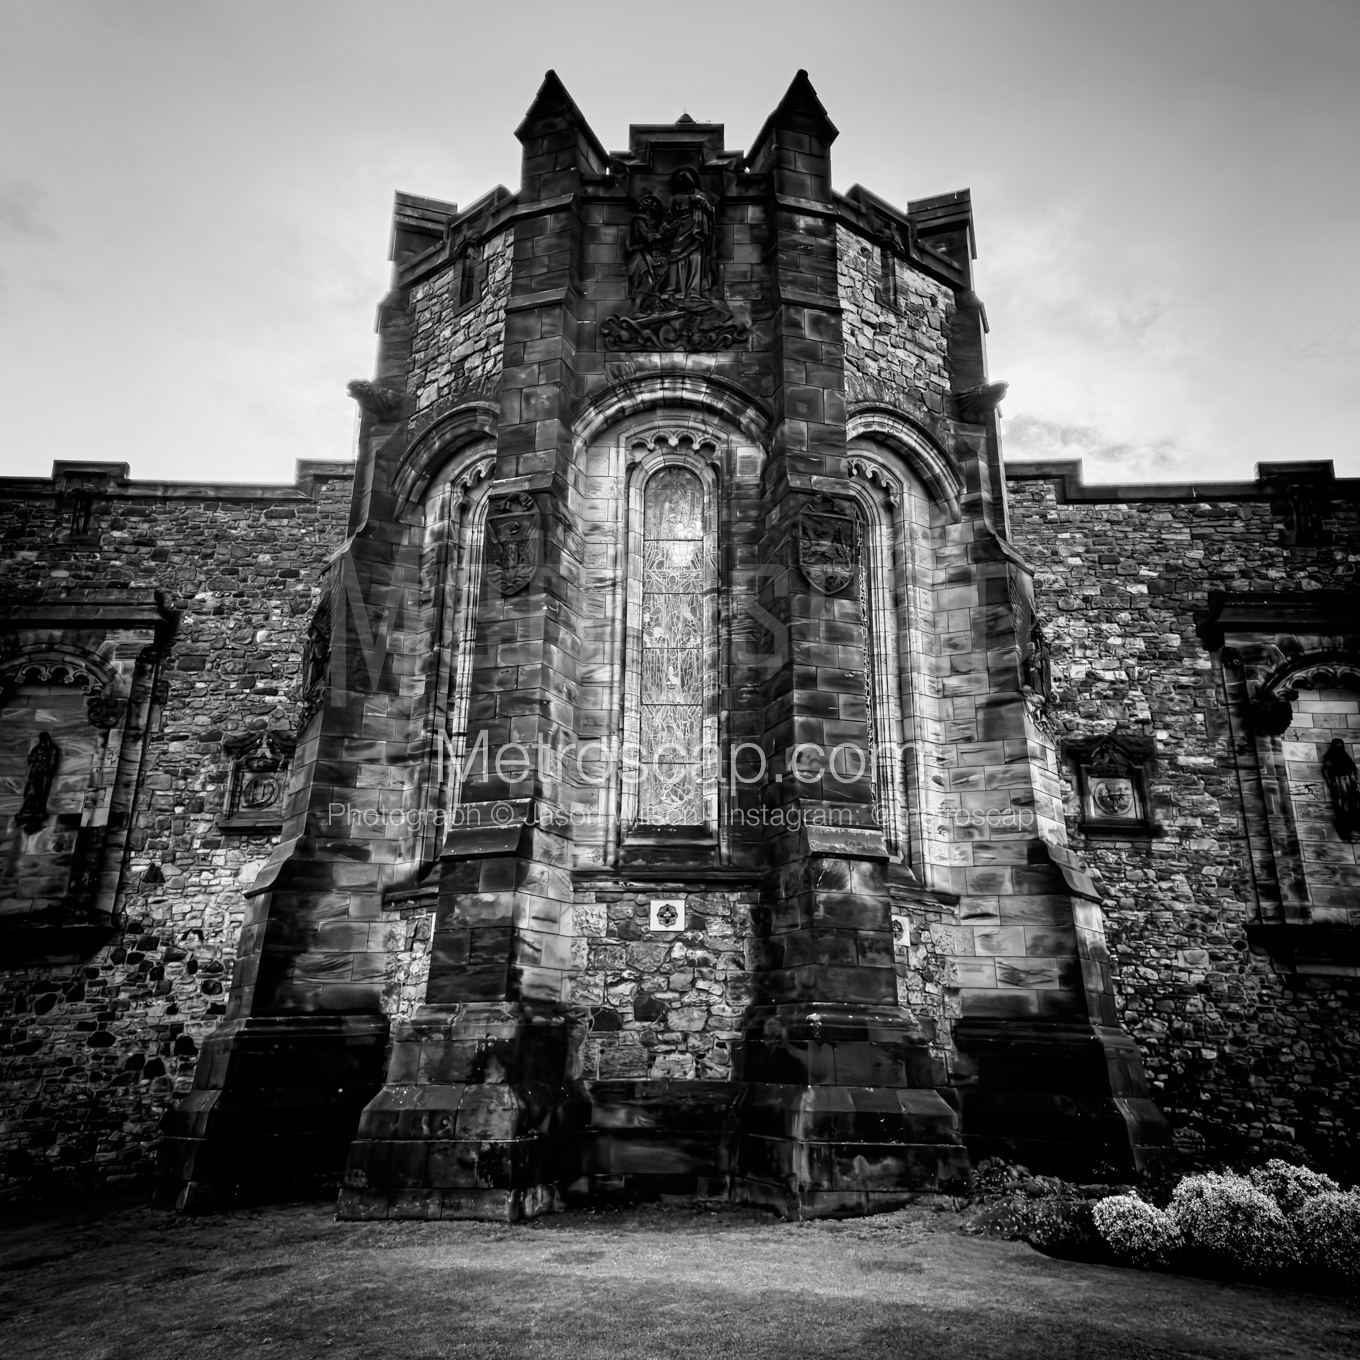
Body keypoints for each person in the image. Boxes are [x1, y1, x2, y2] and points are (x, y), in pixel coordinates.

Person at [17, 731, 60, 833]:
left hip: (43, 775)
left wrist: (42, 765)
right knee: (30, 790)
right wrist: (34, 760)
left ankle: (36, 806)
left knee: (38, 791)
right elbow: (31, 759)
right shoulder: (37, 748)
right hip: (34, 773)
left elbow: (51, 765)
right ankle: (29, 806)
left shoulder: (52, 748)